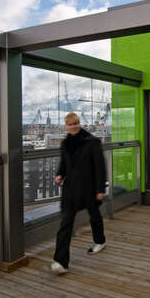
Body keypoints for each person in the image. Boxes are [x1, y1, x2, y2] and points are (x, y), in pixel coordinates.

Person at [51, 112, 107, 275]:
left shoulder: (92, 142)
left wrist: (100, 189)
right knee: (65, 224)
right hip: (71, 189)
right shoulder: (65, 143)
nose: (73, 127)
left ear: (79, 124)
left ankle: (100, 241)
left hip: (89, 187)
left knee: (94, 215)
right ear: (66, 126)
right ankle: (61, 262)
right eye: (70, 125)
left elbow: (99, 167)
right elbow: (64, 163)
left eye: (75, 124)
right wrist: (59, 174)